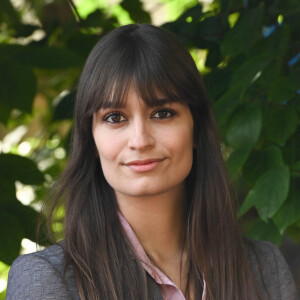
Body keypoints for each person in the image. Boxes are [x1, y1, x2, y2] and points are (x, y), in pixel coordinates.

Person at [6, 24, 298, 300]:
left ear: (196, 127)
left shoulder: (265, 268)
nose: (140, 139)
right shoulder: (47, 280)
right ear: (91, 139)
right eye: (115, 118)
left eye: (162, 113)